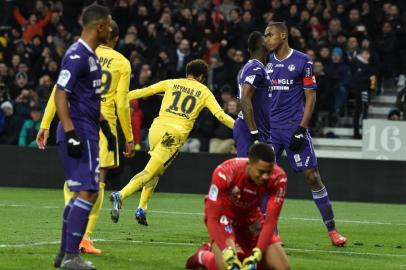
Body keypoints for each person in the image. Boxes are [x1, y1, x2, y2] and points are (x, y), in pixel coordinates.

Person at [36, 20, 135, 255]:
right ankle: (84, 237)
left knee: (75, 178)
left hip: (72, 118)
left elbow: (58, 90)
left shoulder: (79, 53)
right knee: (97, 181)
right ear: (116, 39)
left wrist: (45, 123)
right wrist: (129, 137)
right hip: (101, 124)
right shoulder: (122, 62)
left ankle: (73, 230)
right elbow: (122, 104)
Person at [110, 59, 235, 226]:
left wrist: (117, 98)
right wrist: (241, 127)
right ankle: (121, 195)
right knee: (149, 171)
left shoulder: (172, 83)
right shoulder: (204, 91)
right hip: (173, 135)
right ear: (201, 77)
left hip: (156, 129)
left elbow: (144, 91)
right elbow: (220, 115)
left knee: (156, 171)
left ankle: (142, 208)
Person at [264, 22, 347, 246]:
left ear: (283, 35)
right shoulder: (264, 62)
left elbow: (311, 98)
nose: (267, 39)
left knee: (313, 177)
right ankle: (272, 234)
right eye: (265, 36)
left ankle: (332, 231)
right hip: (271, 131)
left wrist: (301, 129)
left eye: (270, 35)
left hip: (293, 128)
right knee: (263, 180)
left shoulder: (303, 61)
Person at [52, 5, 112, 270]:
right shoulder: (77, 55)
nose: (110, 30)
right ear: (99, 26)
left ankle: (63, 254)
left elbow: (84, 97)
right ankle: (71, 256)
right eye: (109, 25)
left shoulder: (91, 57)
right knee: (88, 191)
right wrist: (71, 133)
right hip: (79, 130)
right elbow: (60, 94)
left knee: (82, 191)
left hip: (88, 127)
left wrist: (106, 126)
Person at [185, 143, 290, 270]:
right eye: (261, 172)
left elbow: (271, 222)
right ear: (249, 164)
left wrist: (258, 253)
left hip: (250, 218)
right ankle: (203, 256)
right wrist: (226, 251)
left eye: (269, 171)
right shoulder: (225, 172)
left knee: (282, 267)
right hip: (223, 218)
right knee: (229, 266)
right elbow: (213, 218)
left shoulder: (278, 178)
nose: (266, 177)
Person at [233, 31, 271, 157]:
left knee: (263, 172)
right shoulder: (255, 68)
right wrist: (253, 132)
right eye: (267, 38)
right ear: (262, 44)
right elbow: (244, 99)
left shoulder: (256, 67)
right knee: (247, 171)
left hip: (257, 128)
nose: (270, 40)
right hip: (250, 130)